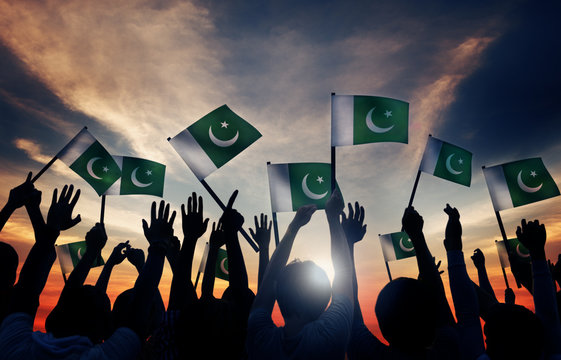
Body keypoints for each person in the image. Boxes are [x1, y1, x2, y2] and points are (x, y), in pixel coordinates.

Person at [246, 190, 354, 360]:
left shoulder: (260, 338)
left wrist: (293, 227)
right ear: (325, 297)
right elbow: (344, 273)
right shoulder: (331, 336)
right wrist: (333, 219)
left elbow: (268, 281)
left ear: (278, 293)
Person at [348, 205, 459, 359]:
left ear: (383, 325)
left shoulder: (370, 354)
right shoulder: (450, 351)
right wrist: (416, 235)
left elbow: (349, 304)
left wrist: (347, 244)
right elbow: (438, 298)